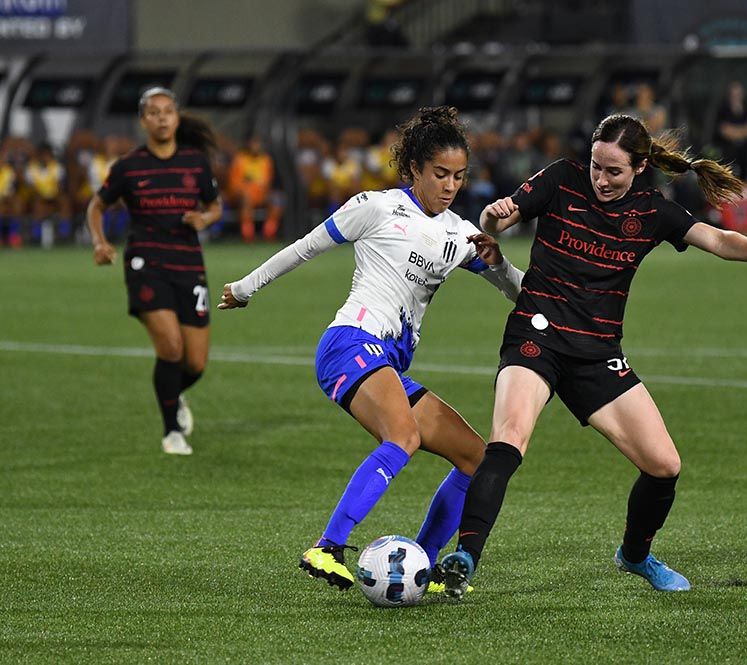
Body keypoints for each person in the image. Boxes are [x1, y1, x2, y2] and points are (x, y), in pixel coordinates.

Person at [439, 113, 747, 597]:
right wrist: (493, 219)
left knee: (664, 465)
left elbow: (717, 240)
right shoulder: (561, 179)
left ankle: (635, 556)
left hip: (597, 353)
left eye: (614, 171)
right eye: (596, 166)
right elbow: (496, 221)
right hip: (538, 335)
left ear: (639, 168)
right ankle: (465, 556)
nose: (601, 179)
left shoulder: (653, 210)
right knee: (508, 439)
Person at [217, 106, 524, 592]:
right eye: (440, 174)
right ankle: (327, 546)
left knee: (476, 457)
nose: (449, 186)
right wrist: (247, 286)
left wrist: (500, 261)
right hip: (349, 344)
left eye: (459, 177)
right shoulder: (376, 207)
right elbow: (305, 246)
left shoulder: (460, 234)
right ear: (414, 171)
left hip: (386, 364)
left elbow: (517, 290)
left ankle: (423, 562)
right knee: (402, 437)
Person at [86, 87, 222, 456]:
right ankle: (171, 432)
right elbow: (96, 207)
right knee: (171, 347)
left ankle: (172, 396)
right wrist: (100, 242)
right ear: (143, 120)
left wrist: (204, 218)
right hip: (146, 263)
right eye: (154, 112)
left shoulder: (196, 162)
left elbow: (215, 206)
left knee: (195, 362)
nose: (162, 117)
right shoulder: (129, 166)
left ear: (177, 117)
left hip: (189, 264)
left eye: (168, 111)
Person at [227, 135, 283, 242]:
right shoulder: (240, 159)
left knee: (277, 200)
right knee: (246, 197)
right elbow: (235, 184)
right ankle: (248, 235)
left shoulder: (266, 160)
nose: (255, 146)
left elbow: (268, 181)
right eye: (253, 143)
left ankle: (269, 234)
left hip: (261, 194)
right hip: (243, 195)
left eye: (258, 144)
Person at [714, 81, 747, 181]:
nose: (736, 97)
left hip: (746, 156)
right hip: (729, 156)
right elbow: (725, 131)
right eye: (733, 94)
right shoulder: (723, 110)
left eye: (738, 94)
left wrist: (736, 132)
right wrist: (745, 131)